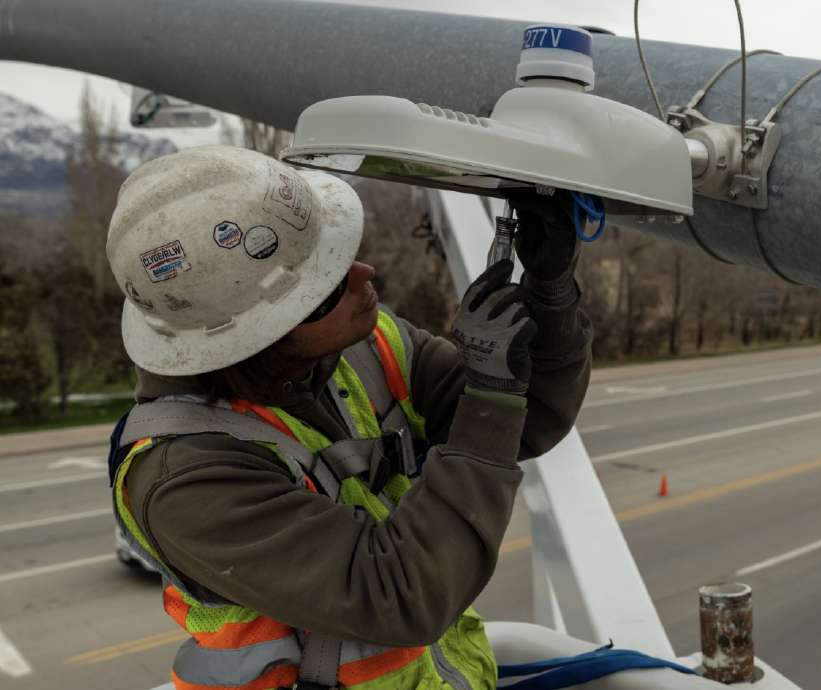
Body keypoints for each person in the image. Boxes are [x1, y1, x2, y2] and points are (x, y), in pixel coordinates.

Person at [105, 146, 591, 690]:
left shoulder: (365, 345)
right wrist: (490, 392)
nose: (364, 273)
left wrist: (549, 291)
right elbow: (400, 596)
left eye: (337, 257)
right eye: (327, 287)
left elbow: (531, 419)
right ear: (257, 339)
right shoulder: (186, 477)